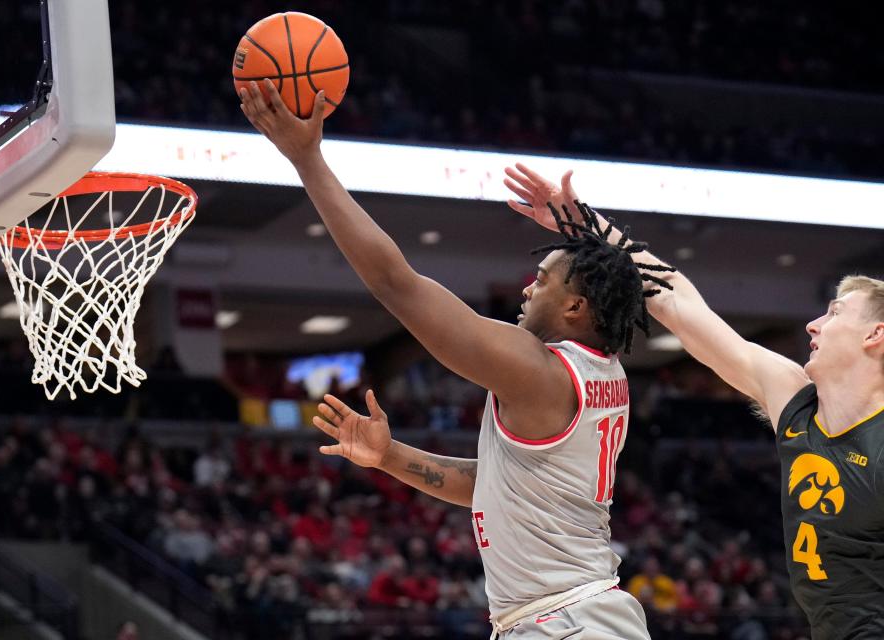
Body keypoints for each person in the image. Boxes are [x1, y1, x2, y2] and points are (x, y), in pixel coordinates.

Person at [239, 80, 675, 639]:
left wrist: (308, 160)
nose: (527, 288)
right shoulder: (600, 372)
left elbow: (397, 285)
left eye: (541, 280)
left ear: (574, 305)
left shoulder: (540, 371)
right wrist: (391, 455)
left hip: (567, 621)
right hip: (571, 616)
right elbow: (488, 487)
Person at [503, 163, 884, 639]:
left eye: (834, 313)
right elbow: (674, 298)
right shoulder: (795, 399)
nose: (813, 325)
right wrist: (584, 223)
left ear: (876, 334)